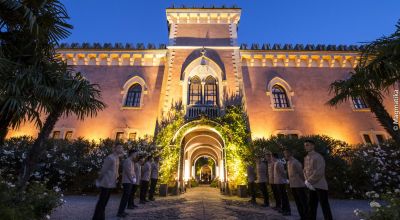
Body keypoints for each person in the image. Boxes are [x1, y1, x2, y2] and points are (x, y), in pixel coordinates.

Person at [92, 144, 124, 220]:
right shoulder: (110, 158)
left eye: (122, 148)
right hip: (106, 182)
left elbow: (116, 169)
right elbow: (103, 170)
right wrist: (99, 180)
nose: (121, 149)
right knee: (102, 202)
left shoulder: (117, 158)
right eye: (119, 147)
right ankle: (96, 218)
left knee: (104, 203)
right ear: (114, 148)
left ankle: (101, 217)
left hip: (111, 183)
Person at [303, 140, 333, 220]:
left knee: (324, 205)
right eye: (305, 145)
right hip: (310, 185)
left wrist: (309, 181)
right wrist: (307, 181)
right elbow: (305, 170)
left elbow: (319, 171)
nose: (306, 147)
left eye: (307, 145)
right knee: (311, 205)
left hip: (320, 185)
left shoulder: (318, 156)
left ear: (313, 146)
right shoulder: (306, 158)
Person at [284, 149, 307, 220]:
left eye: (285, 154)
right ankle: (302, 216)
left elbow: (301, 173)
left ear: (289, 154)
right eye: (284, 154)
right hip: (293, 185)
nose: (284, 155)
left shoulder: (295, 162)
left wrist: (305, 182)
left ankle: (307, 217)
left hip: (299, 185)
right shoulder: (288, 162)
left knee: (303, 202)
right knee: (297, 202)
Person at [117, 149, 137, 217]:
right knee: (125, 197)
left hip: (129, 181)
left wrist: (134, 178)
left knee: (126, 197)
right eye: (135, 154)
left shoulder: (131, 161)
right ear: (132, 154)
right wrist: (132, 180)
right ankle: (120, 212)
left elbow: (133, 171)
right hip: (127, 181)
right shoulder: (127, 161)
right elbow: (128, 172)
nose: (136, 155)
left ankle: (122, 211)